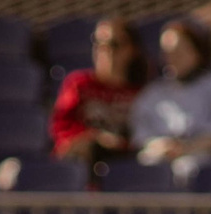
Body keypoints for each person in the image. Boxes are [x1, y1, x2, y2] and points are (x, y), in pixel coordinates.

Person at [130, 19, 211, 183]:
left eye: (178, 52)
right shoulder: (153, 93)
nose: (171, 59)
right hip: (161, 155)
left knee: (187, 168)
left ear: (196, 52)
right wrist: (160, 146)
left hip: (201, 157)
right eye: (167, 53)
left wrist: (188, 148)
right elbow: (140, 132)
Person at [53, 18, 145, 163]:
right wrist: (96, 137)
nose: (104, 50)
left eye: (113, 45)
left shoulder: (141, 92)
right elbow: (61, 126)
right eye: (97, 43)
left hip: (125, 161)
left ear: (131, 50)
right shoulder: (79, 83)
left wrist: (118, 144)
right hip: (84, 159)